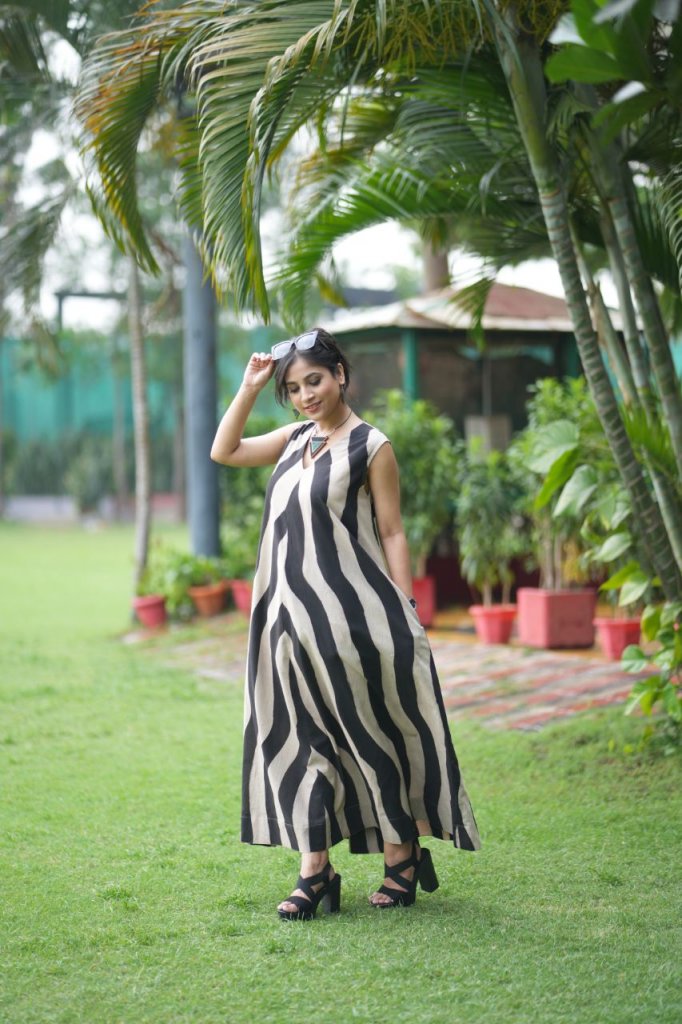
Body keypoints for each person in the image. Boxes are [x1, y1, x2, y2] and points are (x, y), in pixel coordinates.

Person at [211, 327, 480, 919]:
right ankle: (316, 872)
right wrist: (251, 387)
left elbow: (393, 531)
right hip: (284, 623)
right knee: (301, 740)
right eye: (294, 388)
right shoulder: (293, 439)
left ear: (340, 375)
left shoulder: (371, 446)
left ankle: (401, 857)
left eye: (315, 381)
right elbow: (224, 451)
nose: (306, 395)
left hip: (352, 621)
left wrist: (407, 610)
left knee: (372, 736)